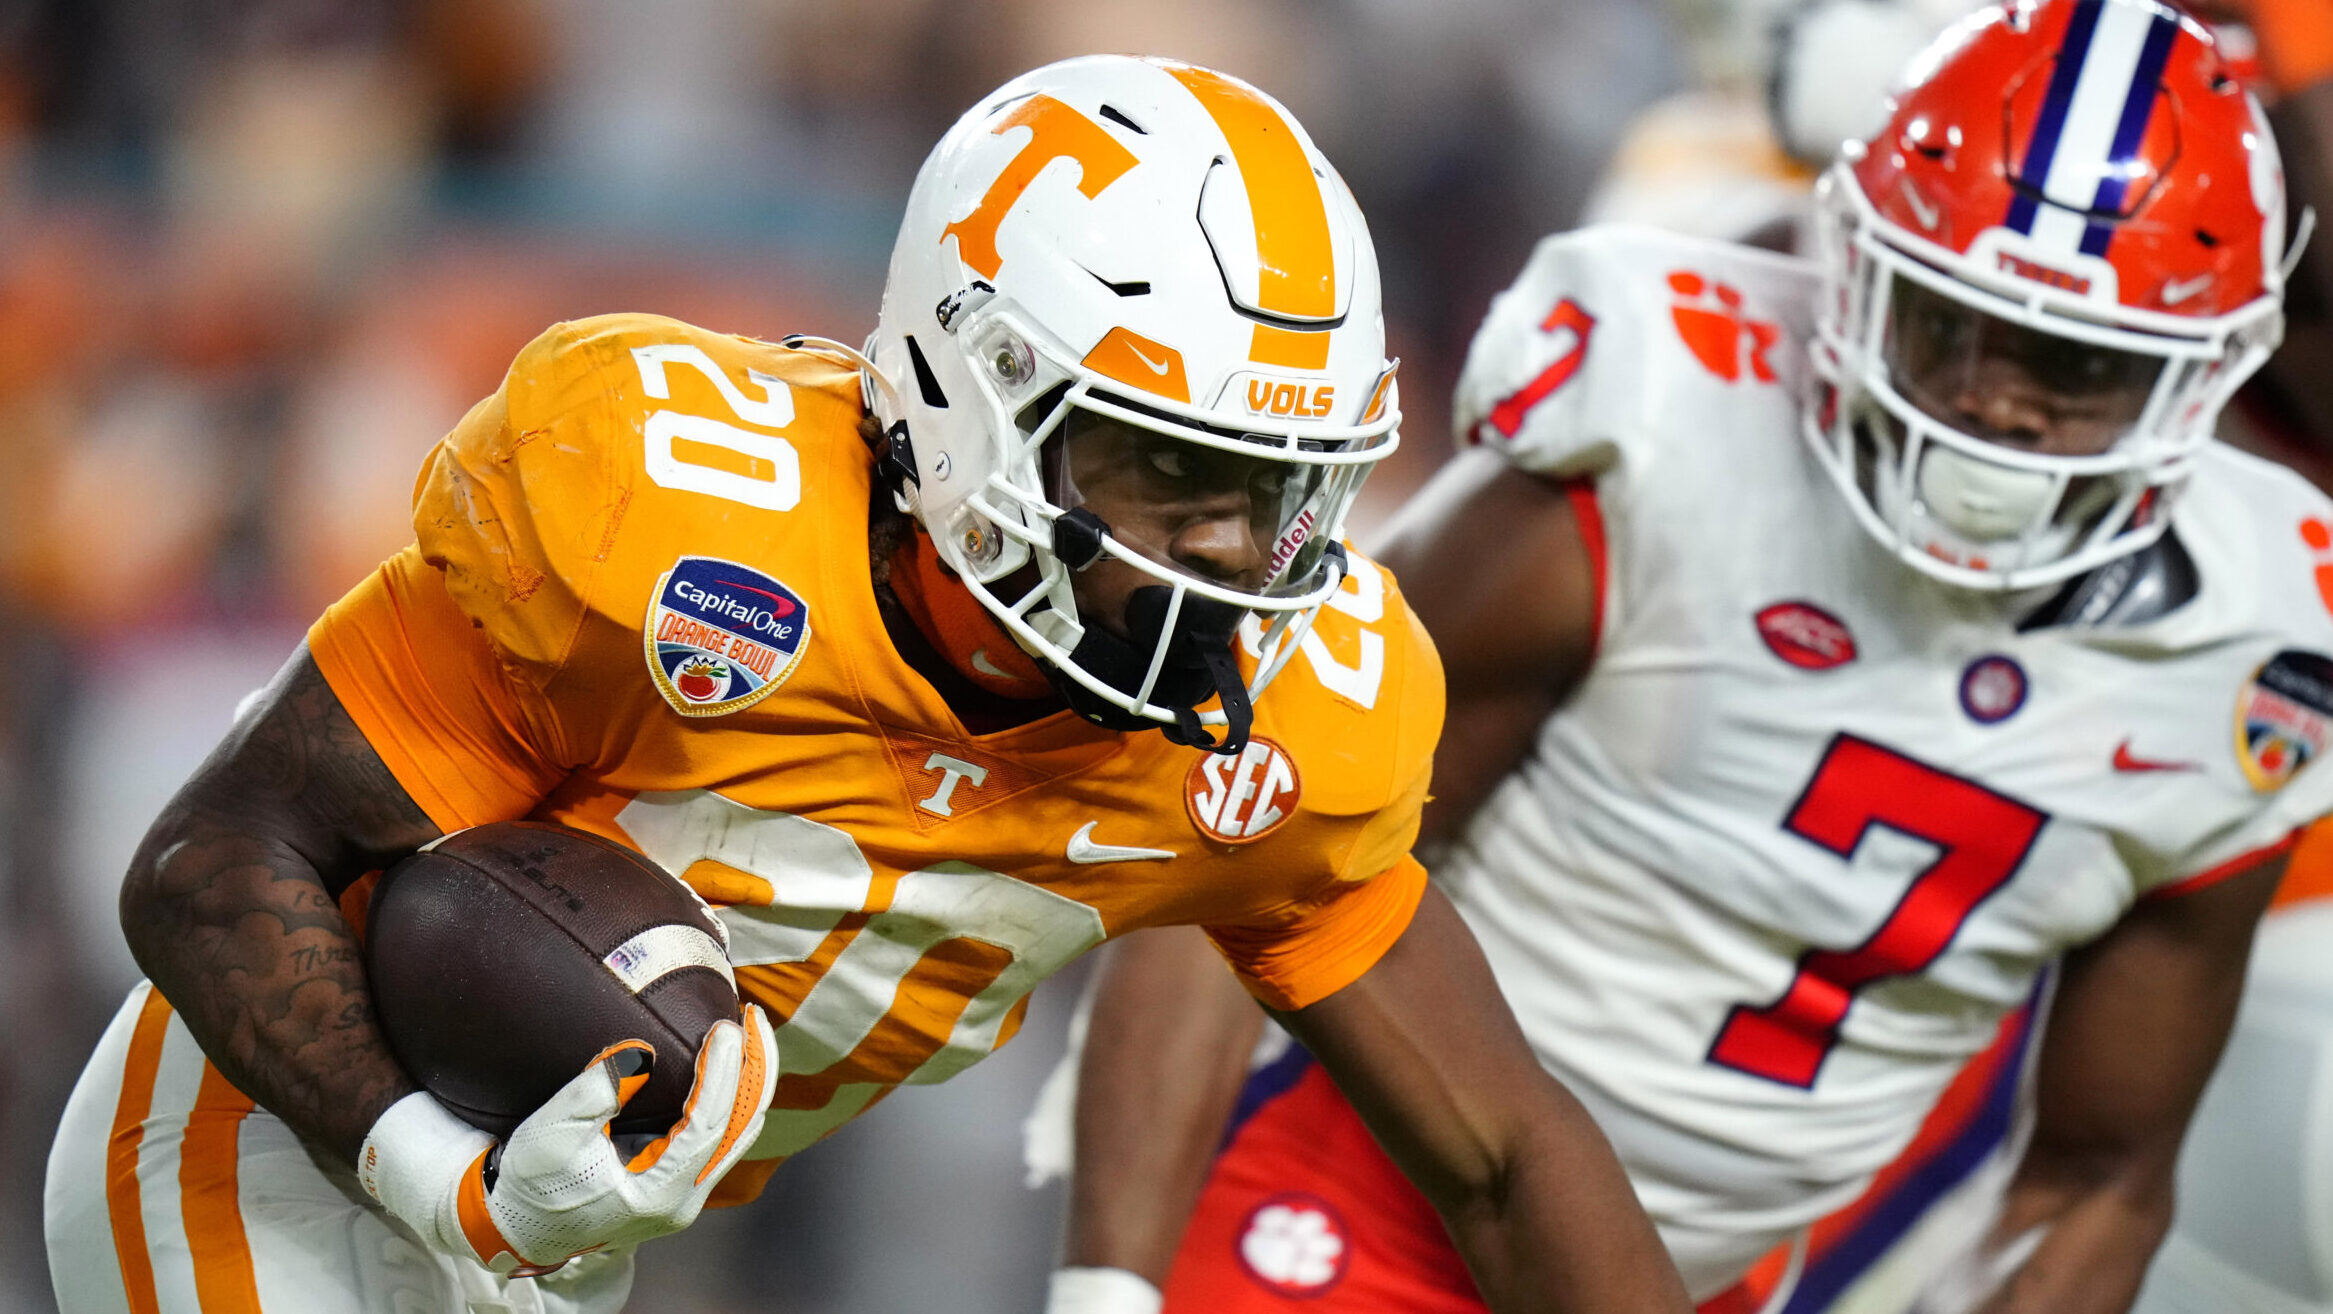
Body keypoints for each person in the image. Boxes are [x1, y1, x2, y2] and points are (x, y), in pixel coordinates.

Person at [40, 56, 1692, 1314]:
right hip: (272, 1162)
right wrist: (436, 1173)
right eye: (1160, 472)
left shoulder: (1290, 718)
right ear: (964, 391)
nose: (1222, 559)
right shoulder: (661, 518)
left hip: (554, 1235)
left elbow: (1500, 1151)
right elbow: (206, 860)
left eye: (1273, 493)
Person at [1043, 5, 2333, 1313]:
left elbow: (2099, 1174)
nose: (1993, 404)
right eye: (1950, 326)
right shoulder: (1670, 430)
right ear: (1855, 267)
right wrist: (1112, 1280)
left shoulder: (2250, 647)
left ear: (2199, 375)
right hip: (1362, 1197)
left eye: (2067, 361)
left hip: (1704, 1279)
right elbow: (1265, 833)